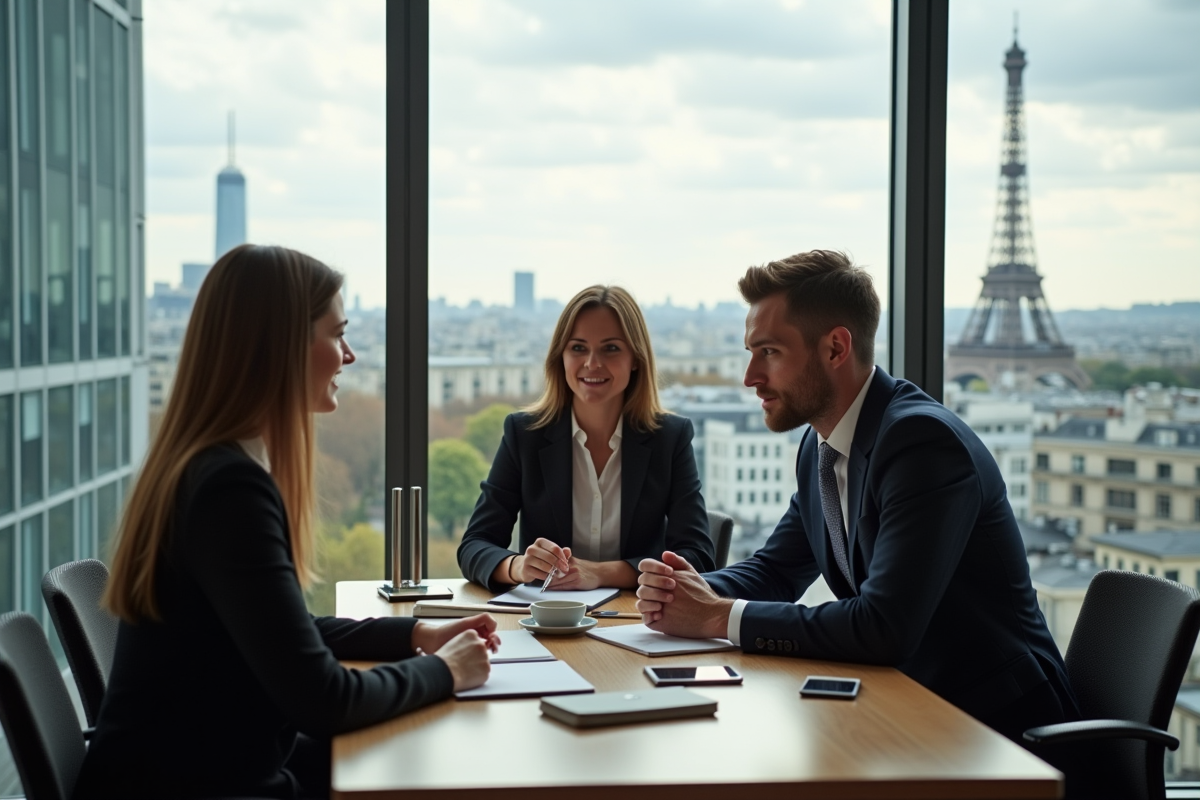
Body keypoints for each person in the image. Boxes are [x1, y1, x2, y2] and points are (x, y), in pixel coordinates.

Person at [635, 250, 1083, 788]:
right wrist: (685, 591)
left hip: (999, 733)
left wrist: (715, 616)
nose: (750, 376)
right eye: (751, 353)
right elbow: (777, 569)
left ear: (835, 348)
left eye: (769, 352)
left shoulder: (921, 444)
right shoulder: (821, 445)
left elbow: (883, 627)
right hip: (906, 711)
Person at [76, 245, 498, 800]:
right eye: (337, 334)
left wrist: (415, 634)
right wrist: (445, 671)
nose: (349, 355)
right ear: (281, 346)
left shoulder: (207, 467)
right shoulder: (230, 489)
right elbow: (323, 699)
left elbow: (287, 632)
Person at [457, 285, 715, 593]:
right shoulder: (525, 434)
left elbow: (698, 558)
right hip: (547, 615)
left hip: (639, 615)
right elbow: (474, 546)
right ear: (561, 357)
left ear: (636, 358)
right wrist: (518, 566)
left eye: (611, 348)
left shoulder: (670, 438)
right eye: (578, 348)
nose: (592, 363)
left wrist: (601, 573)